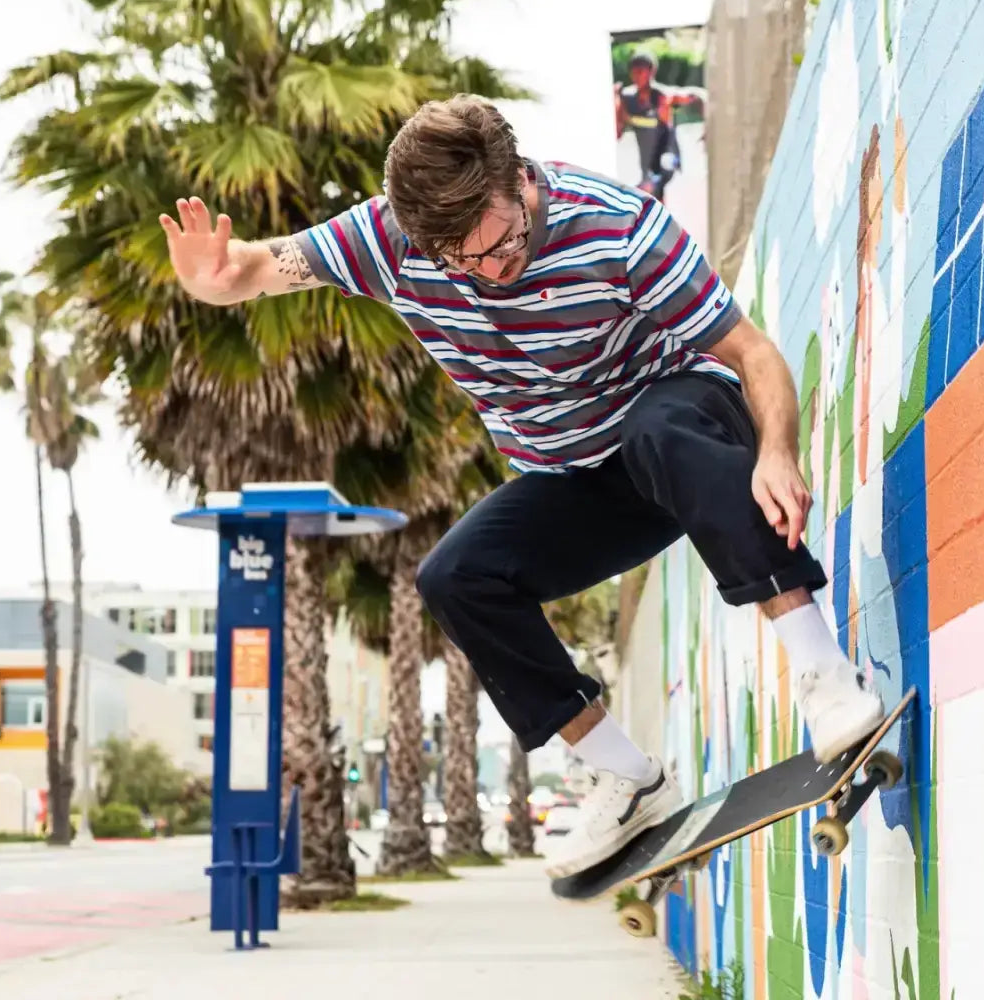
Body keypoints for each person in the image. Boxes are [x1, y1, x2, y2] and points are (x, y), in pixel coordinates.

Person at [159, 94, 885, 879]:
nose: (491, 271)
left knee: (658, 428)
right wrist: (217, 281)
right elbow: (258, 267)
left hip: (687, 432)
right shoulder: (387, 240)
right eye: (460, 261)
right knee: (455, 576)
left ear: (520, 181)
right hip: (579, 480)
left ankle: (823, 674)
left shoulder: (618, 228)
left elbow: (755, 355)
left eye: (502, 243)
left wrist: (776, 451)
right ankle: (622, 774)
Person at [614, 50, 705, 200]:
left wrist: (709, 127)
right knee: (655, 202)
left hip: (667, 157)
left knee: (646, 190)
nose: (636, 77)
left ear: (652, 72)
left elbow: (699, 95)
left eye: (640, 72)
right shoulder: (627, 99)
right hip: (647, 165)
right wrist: (614, 101)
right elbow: (617, 133)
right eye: (634, 73)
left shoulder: (664, 96)